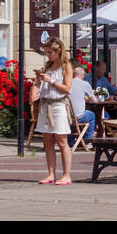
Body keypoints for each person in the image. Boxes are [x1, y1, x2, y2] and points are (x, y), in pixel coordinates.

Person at [32, 38, 74, 185]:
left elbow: (67, 88)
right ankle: (51, 174)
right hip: (45, 104)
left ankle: (66, 174)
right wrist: (39, 81)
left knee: (62, 141)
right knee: (48, 141)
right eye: (46, 52)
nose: (48, 55)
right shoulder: (48, 66)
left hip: (58, 105)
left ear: (59, 51)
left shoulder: (66, 66)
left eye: (50, 52)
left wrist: (50, 81)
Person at [69, 66, 96, 147]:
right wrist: (86, 100)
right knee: (91, 115)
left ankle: (70, 141)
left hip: (67, 116)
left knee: (73, 119)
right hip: (78, 117)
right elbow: (94, 101)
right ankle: (87, 141)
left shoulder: (67, 83)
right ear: (83, 76)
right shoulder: (85, 84)